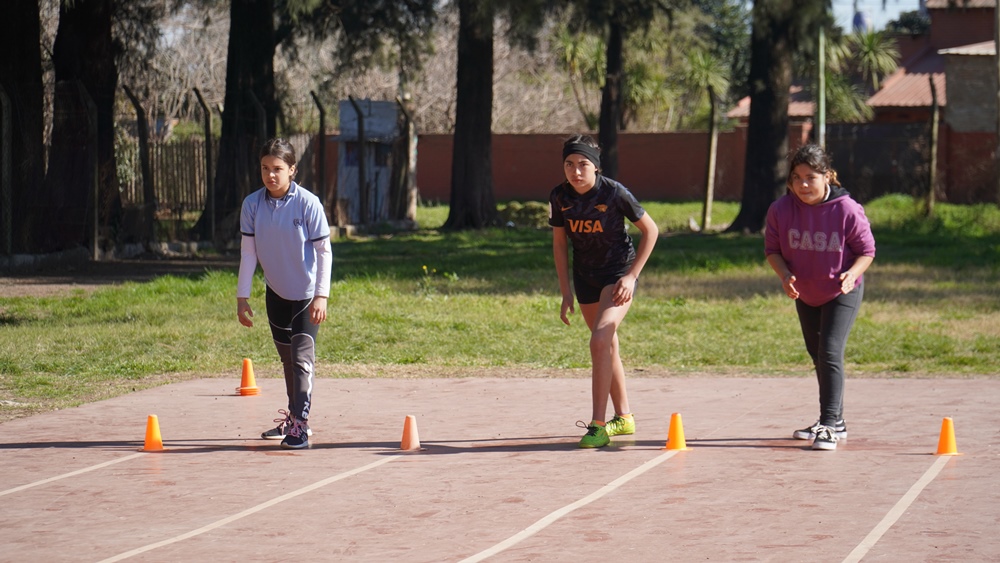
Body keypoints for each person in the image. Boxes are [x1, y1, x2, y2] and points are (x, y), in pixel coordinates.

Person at [549, 134, 659, 448]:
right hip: (586, 279)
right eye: (569, 164)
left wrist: (631, 276)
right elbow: (559, 244)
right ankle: (623, 417)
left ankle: (597, 425)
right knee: (606, 346)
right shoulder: (559, 197)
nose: (575, 171)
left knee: (599, 339)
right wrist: (565, 290)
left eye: (583, 164)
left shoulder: (614, 193)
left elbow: (651, 230)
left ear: (596, 167)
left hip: (618, 274)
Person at [765, 144, 876, 451]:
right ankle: (833, 420)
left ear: (827, 176)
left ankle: (830, 425)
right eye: (796, 178)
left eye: (810, 177)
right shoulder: (780, 210)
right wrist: (785, 275)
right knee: (817, 354)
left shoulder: (846, 209)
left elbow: (867, 252)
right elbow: (772, 251)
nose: (803, 184)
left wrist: (852, 274)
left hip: (842, 290)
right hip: (806, 291)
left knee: (829, 351)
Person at [237, 138, 332, 450]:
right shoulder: (252, 205)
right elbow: (248, 253)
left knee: (302, 360)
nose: (270, 175)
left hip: (305, 294)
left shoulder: (308, 203)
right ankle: (293, 416)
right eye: (265, 168)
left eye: (277, 169)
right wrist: (243, 295)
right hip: (275, 293)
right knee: (287, 359)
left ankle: (300, 427)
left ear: (292, 169)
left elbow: (323, 251)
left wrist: (321, 295)